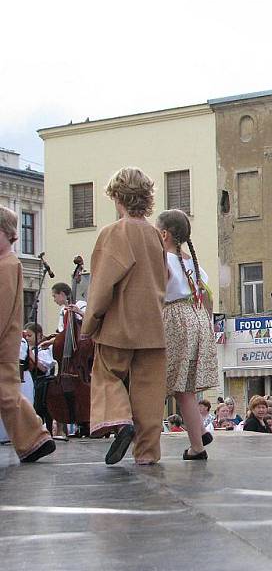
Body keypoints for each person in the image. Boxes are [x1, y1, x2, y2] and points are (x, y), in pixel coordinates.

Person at [81, 167, 168, 466]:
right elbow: (165, 278)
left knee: (106, 375)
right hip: (154, 326)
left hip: (119, 325)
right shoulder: (156, 235)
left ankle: (120, 419)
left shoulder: (113, 233)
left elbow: (103, 285)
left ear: (118, 197)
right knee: (149, 393)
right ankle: (147, 454)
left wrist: (90, 323)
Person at [156, 209, 219, 461]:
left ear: (163, 234)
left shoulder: (165, 260)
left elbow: (158, 293)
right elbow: (207, 295)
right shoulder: (192, 261)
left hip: (174, 318)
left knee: (175, 386)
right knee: (187, 387)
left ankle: (197, 445)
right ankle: (199, 432)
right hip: (197, 316)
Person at [0, 205, 55, 462]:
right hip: (6, 342)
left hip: (3, 342)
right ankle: (35, 439)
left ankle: (35, 438)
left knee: (8, 395)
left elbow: (2, 307)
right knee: (7, 394)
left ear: (6, 233)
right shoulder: (8, 263)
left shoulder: (7, 265)